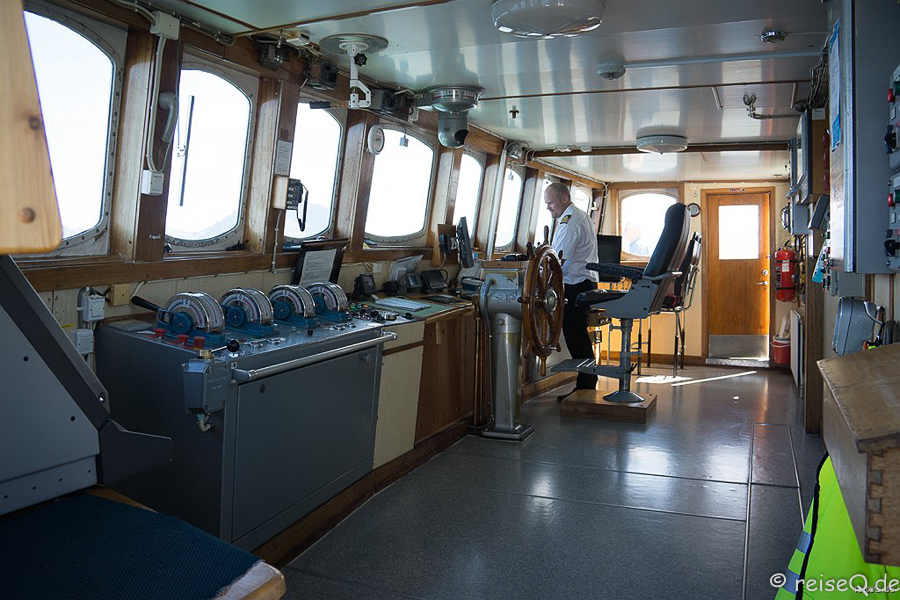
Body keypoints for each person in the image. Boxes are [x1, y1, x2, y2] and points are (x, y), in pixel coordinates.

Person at [543, 182, 598, 400]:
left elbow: (557, 261)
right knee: (577, 335)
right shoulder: (579, 216)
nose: (548, 207)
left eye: (550, 202)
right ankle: (586, 383)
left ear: (564, 198)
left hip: (577, 285)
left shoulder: (570, 222)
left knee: (576, 336)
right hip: (582, 283)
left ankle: (586, 385)